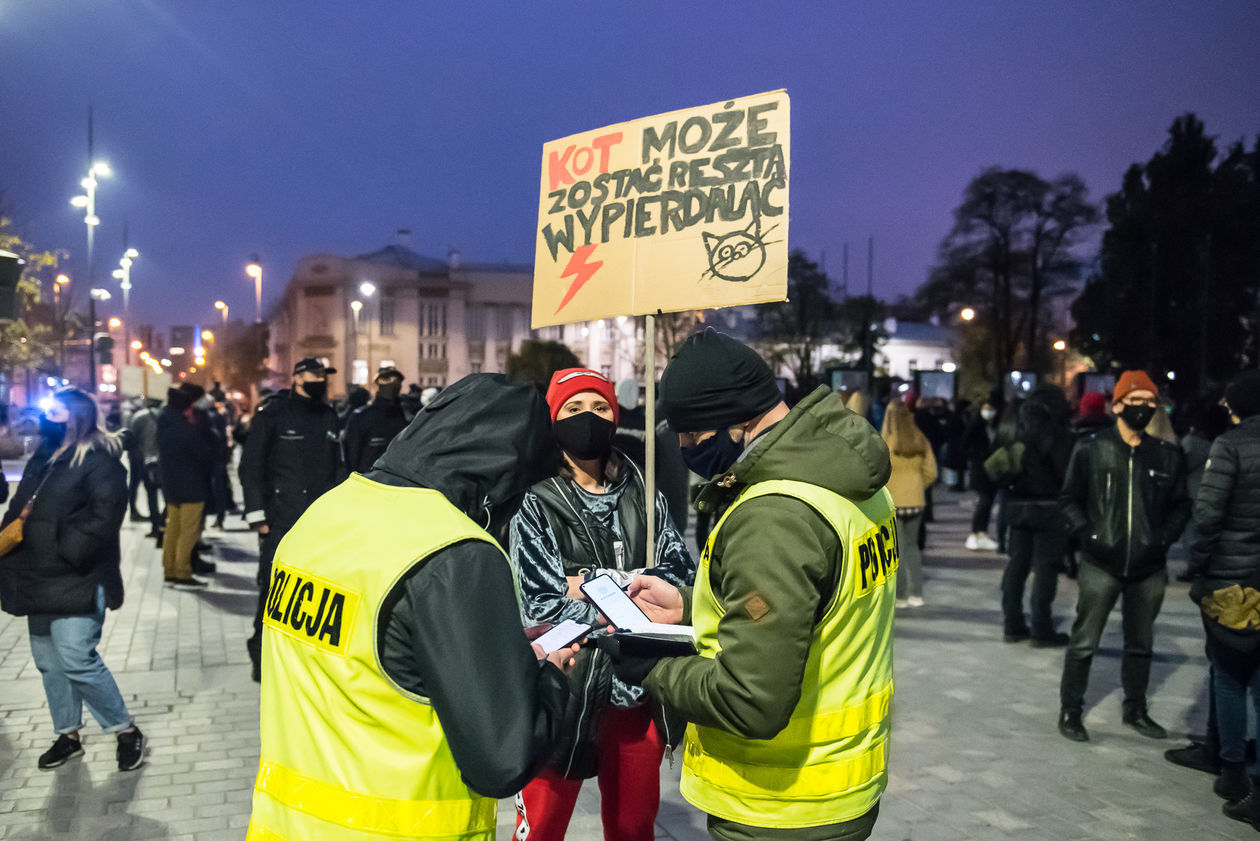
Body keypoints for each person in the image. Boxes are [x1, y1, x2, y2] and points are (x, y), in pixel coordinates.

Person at [247, 374, 578, 841]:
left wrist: (492, 652)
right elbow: (503, 760)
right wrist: (550, 677)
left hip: (285, 826)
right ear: (503, 478)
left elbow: (374, 663)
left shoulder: (323, 513)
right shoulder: (454, 549)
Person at [609, 330, 896, 841]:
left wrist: (654, 668)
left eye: (692, 436)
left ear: (738, 420)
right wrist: (695, 609)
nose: (682, 448)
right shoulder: (850, 482)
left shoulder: (773, 517)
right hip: (841, 781)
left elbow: (750, 699)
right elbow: (811, 612)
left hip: (779, 801)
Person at [510, 368, 695, 841]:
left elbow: (680, 574)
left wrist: (586, 583)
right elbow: (541, 603)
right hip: (565, 684)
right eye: (573, 408)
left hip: (636, 687)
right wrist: (632, 585)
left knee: (634, 826)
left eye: (599, 408)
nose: (587, 418)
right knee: (542, 827)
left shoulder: (644, 494)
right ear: (554, 420)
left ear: (615, 417)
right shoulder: (535, 502)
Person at [0, 388, 145, 771]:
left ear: (77, 414)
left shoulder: (100, 459)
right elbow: (19, 507)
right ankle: (68, 734)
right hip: (36, 574)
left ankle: (124, 730)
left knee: (77, 658)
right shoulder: (44, 457)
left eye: (57, 410)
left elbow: (105, 516)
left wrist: (65, 547)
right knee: (49, 661)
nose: (49, 416)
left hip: (78, 575)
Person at [1057, 370, 1191, 742]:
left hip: (1148, 567)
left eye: (1151, 403)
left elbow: (1181, 506)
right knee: (1085, 641)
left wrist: (1162, 540)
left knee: (1141, 644)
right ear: (1117, 405)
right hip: (1101, 563)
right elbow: (1068, 500)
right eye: (1137, 402)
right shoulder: (1091, 447)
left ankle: (1136, 709)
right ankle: (1071, 710)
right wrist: (1089, 534)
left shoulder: (1165, 455)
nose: (1145, 409)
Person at [1186, 371, 1260, 821]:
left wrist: (1197, 566)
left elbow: (1208, 517)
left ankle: (1233, 770)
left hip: (1232, 582)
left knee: (1229, 677)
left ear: (1234, 406)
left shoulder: (1229, 446)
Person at [238, 358, 341, 681]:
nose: (320, 380)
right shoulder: (273, 416)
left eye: (324, 375)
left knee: (317, 593)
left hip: (321, 522)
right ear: (297, 378)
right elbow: (250, 467)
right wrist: (259, 518)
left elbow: (338, 466)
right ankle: (261, 654)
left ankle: (304, 656)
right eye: (314, 374)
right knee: (273, 590)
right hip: (281, 520)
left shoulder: (329, 416)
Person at [998, 385, 1075, 645]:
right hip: (1050, 509)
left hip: (1017, 507)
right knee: (1046, 568)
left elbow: (997, 470)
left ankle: (1012, 624)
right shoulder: (1061, 435)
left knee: (1016, 566)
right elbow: (1068, 477)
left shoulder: (1015, 433)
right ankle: (1041, 629)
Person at [156, 383, 217, 587]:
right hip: (191, 485)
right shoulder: (184, 427)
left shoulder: (165, 421)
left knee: (172, 528)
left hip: (172, 485)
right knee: (188, 531)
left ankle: (169, 570)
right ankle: (183, 572)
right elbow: (204, 453)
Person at [881, 399, 937, 608]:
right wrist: (917, 487)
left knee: (896, 549)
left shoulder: (886, 441)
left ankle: (901, 595)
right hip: (916, 501)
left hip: (893, 501)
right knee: (912, 547)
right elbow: (931, 471)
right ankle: (917, 593)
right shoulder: (919, 438)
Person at [342, 367, 409, 475]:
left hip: (400, 483)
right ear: (377, 384)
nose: (392, 383)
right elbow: (351, 457)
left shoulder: (407, 416)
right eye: (386, 379)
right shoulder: (361, 417)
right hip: (370, 483)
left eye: (396, 380)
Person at [963, 398, 1001, 551]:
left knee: (988, 501)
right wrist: (976, 457)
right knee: (983, 501)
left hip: (991, 469)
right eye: (986, 408)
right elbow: (964, 444)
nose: (988, 411)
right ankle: (974, 534)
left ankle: (982, 534)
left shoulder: (994, 425)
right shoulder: (975, 425)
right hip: (979, 468)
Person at [126, 397, 163, 538]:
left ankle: (155, 526)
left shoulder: (139, 417)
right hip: (161, 460)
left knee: (151, 494)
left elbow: (131, 439)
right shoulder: (164, 416)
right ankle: (162, 524)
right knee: (166, 496)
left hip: (144, 460)